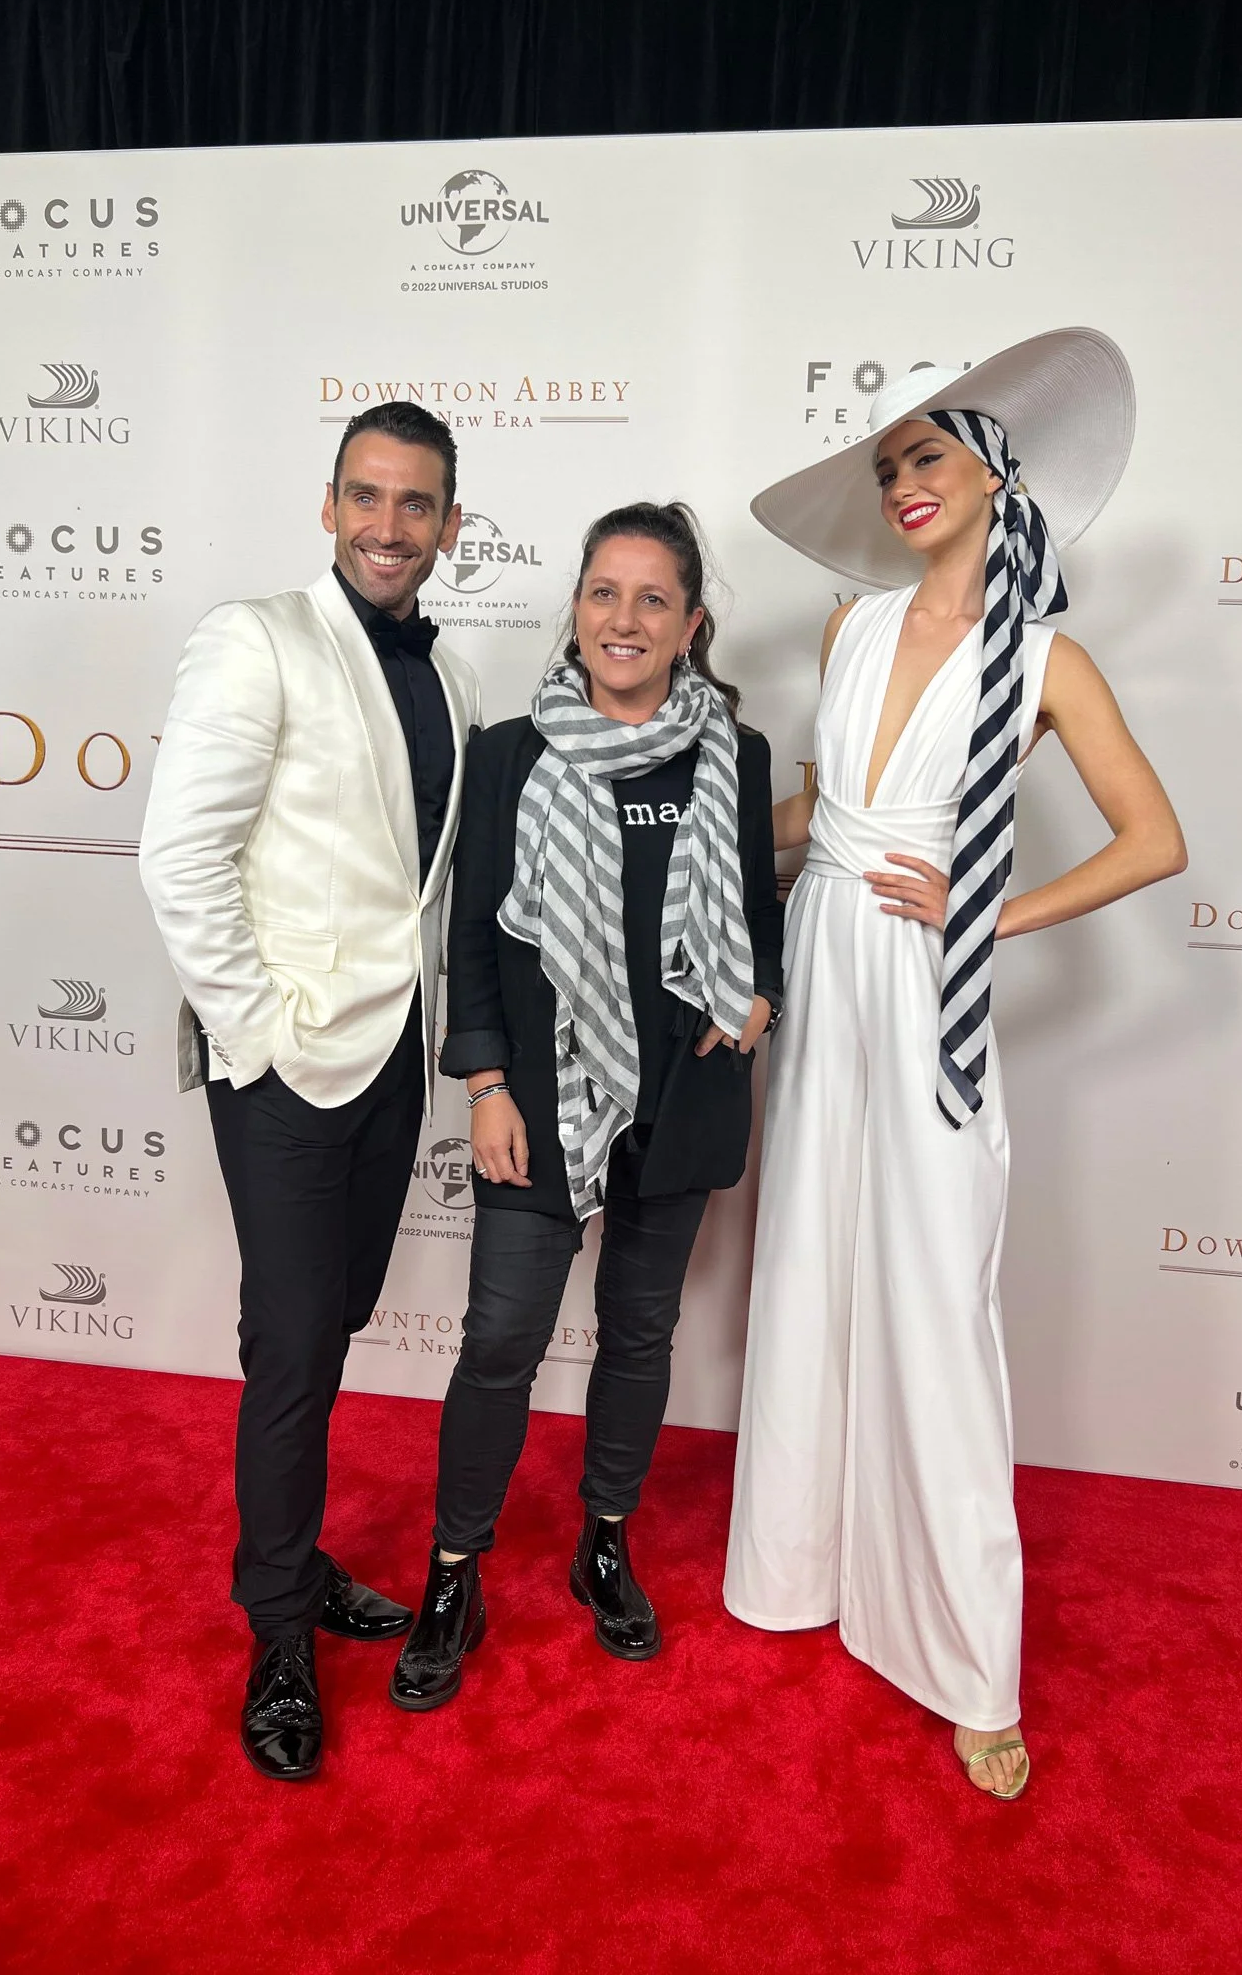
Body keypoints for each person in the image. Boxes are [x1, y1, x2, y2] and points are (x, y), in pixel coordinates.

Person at [723, 330, 1187, 1800]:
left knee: (932, 1288)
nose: (903, 484)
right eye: (887, 468)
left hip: (928, 986)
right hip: (825, 966)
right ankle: (801, 1565)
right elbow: (822, 815)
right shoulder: (848, 630)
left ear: (995, 472)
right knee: (814, 1255)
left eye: (927, 456)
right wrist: (675, 848)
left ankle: (968, 1660)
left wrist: (986, 910)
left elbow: (1154, 840)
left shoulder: (1047, 658)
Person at [389, 501, 782, 1711]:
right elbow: (470, 932)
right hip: (539, 1098)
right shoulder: (510, 753)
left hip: (683, 1094)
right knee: (500, 1339)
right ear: (576, 607)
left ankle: (603, 1540)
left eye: (653, 598)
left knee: (640, 1330)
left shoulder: (733, 753)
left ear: (690, 623)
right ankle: (455, 1569)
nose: (625, 618)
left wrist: (757, 997)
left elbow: (758, 917)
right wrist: (485, 1082)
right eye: (605, 592)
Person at [139, 402, 483, 1781]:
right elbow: (181, 858)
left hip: (394, 1050)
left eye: (417, 504)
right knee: (292, 1345)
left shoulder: (449, 672)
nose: (390, 526)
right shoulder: (257, 638)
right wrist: (259, 1034)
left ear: (450, 524)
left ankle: (288, 1548)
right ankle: (279, 1626)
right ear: (329, 505)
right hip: (285, 1063)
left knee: (330, 1320)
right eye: (367, 497)